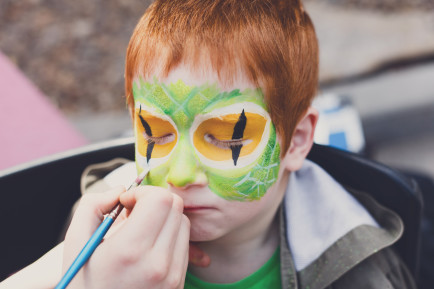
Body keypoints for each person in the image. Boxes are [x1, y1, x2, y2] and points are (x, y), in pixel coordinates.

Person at [0, 0, 417, 288]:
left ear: (297, 141)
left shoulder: (359, 265)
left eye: (229, 137)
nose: (179, 174)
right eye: (156, 132)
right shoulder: (97, 233)